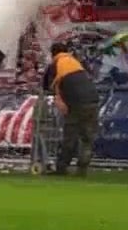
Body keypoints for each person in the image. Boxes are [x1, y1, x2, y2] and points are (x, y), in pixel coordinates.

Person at [47, 42, 99, 176]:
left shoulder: (56, 63)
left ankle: (61, 168)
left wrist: (59, 101)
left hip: (75, 103)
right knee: (87, 138)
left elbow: (49, 86)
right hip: (92, 100)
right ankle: (82, 168)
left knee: (70, 137)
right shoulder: (75, 62)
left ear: (53, 53)